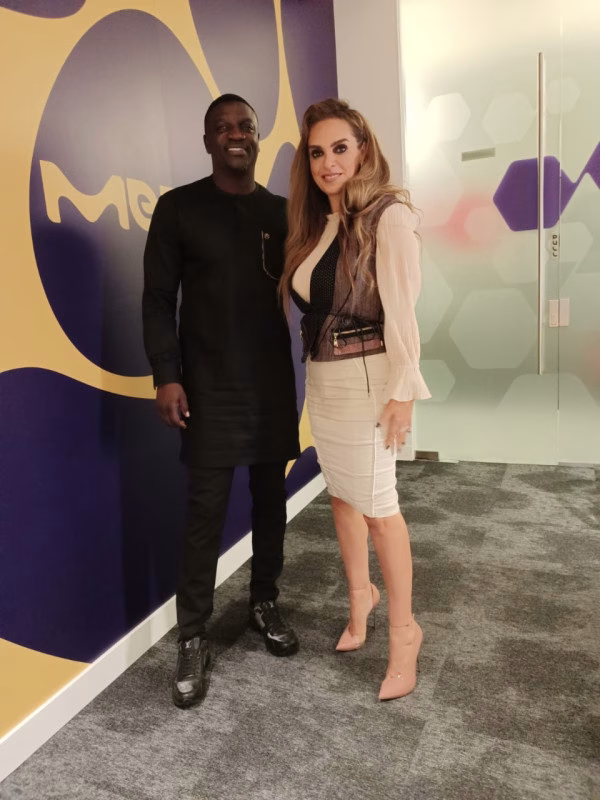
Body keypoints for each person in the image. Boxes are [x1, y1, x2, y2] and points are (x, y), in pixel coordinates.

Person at [142, 93, 300, 709]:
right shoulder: (178, 208)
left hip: (270, 385)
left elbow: (310, 289)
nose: (236, 134)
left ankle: (264, 600)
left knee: (270, 502)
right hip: (206, 389)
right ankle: (192, 635)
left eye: (246, 126)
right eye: (223, 127)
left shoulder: (282, 213)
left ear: (256, 137)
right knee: (204, 514)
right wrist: (167, 375)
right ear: (207, 140)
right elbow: (158, 301)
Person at [280, 98, 430, 701]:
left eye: (340, 148)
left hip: (370, 379)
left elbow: (402, 310)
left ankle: (405, 632)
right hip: (323, 380)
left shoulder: (388, 215)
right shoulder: (318, 223)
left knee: (379, 509)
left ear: (363, 148)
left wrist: (404, 391)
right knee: (341, 495)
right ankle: (360, 597)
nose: (329, 162)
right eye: (317, 152)